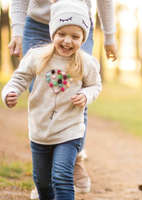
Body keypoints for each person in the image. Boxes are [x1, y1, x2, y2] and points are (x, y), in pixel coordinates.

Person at [8, 0, 117, 196]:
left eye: (73, 38)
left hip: (80, 20)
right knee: (41, 90)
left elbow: (93, 85)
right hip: (37, 22)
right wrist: (17, 31)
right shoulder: (35, 56)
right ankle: (47, 163)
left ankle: (67, 161)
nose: (67, 41)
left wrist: (109, 36)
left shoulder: (85, 59)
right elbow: (20, 78)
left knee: (74, 88)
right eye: (62, 37)